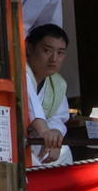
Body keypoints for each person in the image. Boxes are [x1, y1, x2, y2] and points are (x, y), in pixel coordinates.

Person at [24, 23, 73, 166]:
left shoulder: (57, 84)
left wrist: (54, 136)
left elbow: (58, 118)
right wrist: (44, 131)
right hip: (16, 140)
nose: (54, 59)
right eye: (47, 50)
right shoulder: (21, 72)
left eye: (60, 53)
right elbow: (29, 101)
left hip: (38, 142)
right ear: (30, 48)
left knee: (64, 152)